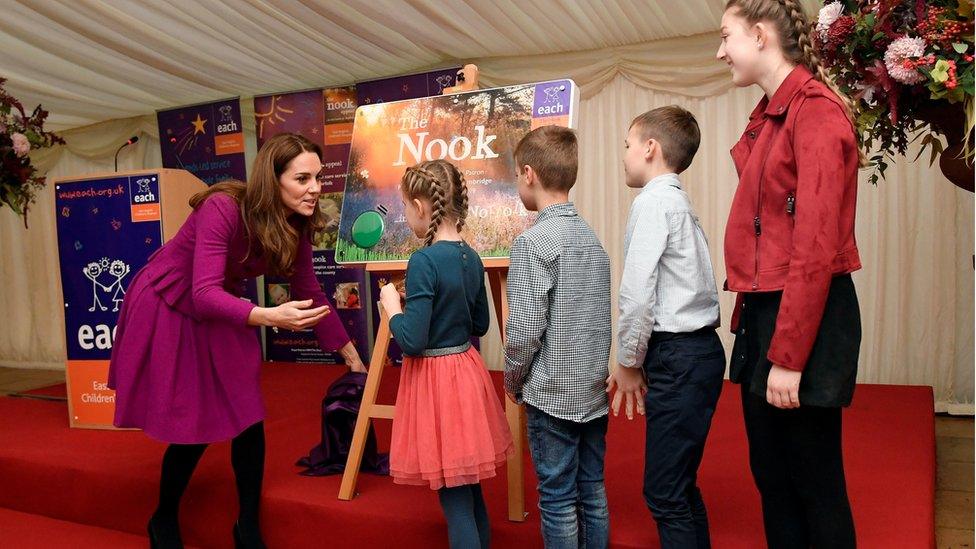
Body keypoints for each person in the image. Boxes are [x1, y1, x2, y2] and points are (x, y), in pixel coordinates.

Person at [108, 133, 366, 549]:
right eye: (303, 179)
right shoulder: (222, 207)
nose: (316, 188)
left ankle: (247, 527)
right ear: (273, 179)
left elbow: (311, 291)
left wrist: (351, 356)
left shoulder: (296, 221)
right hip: (171, 301)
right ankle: (163, 519)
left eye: (318, 178)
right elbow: (202, 292)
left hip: (219, 301)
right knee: (196, 418)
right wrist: (267, 316)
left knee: (247, 410)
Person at [717, 1, 863, 547]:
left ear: (759, 36)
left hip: (804, 319)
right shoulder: (771, 115)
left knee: (814, 484)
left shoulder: (817, 111)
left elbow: (815, 249)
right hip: (765, 315)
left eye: (726, 36)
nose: (720, 50)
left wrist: (788, 357)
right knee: (773, 482)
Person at [379, 159, 513, 549]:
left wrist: (392, 307)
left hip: (437, 384)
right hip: (467, 375)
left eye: (405, 207)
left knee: (454, 499)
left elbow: (412, 341)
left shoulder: (423, 260)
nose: (405, 215)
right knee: (469, 491)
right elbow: (481, 324)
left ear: (422, 207)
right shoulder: (471, 255)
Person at [607, 106, 724, 549]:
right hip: (698, 354)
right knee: (679, 484)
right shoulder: (677, 201)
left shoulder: (654, 202)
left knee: (664, 492)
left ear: (650, 149)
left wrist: (628, 362)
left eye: (627, 145)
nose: (624, 155)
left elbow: (637, 295)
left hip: (679, 355)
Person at [504, 125, 612, 549]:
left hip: (551, 397)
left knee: (557, 498)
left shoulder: (532, 243)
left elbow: (525, 331)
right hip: (591, 392)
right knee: (593, 492)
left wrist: (513, 381)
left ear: (528, 174)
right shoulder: (592, 240)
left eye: (516, 174)